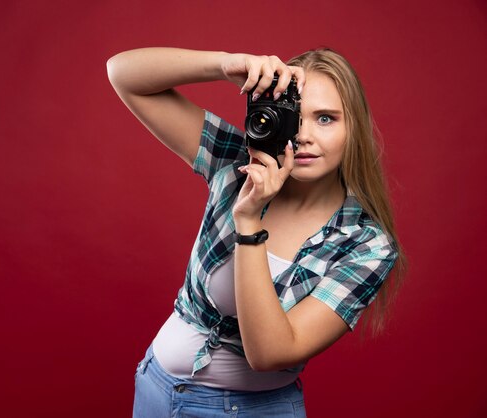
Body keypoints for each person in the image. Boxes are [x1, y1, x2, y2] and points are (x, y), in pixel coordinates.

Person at [107, 47, 405, 418]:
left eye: (325, 118)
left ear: (354, 127)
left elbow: (269, 354)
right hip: (156, 387)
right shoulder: (237, 165)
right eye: (293, 116)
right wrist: (223, 65)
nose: (304, 136)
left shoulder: (365, 244)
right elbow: (123, 74)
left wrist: (248, 224)